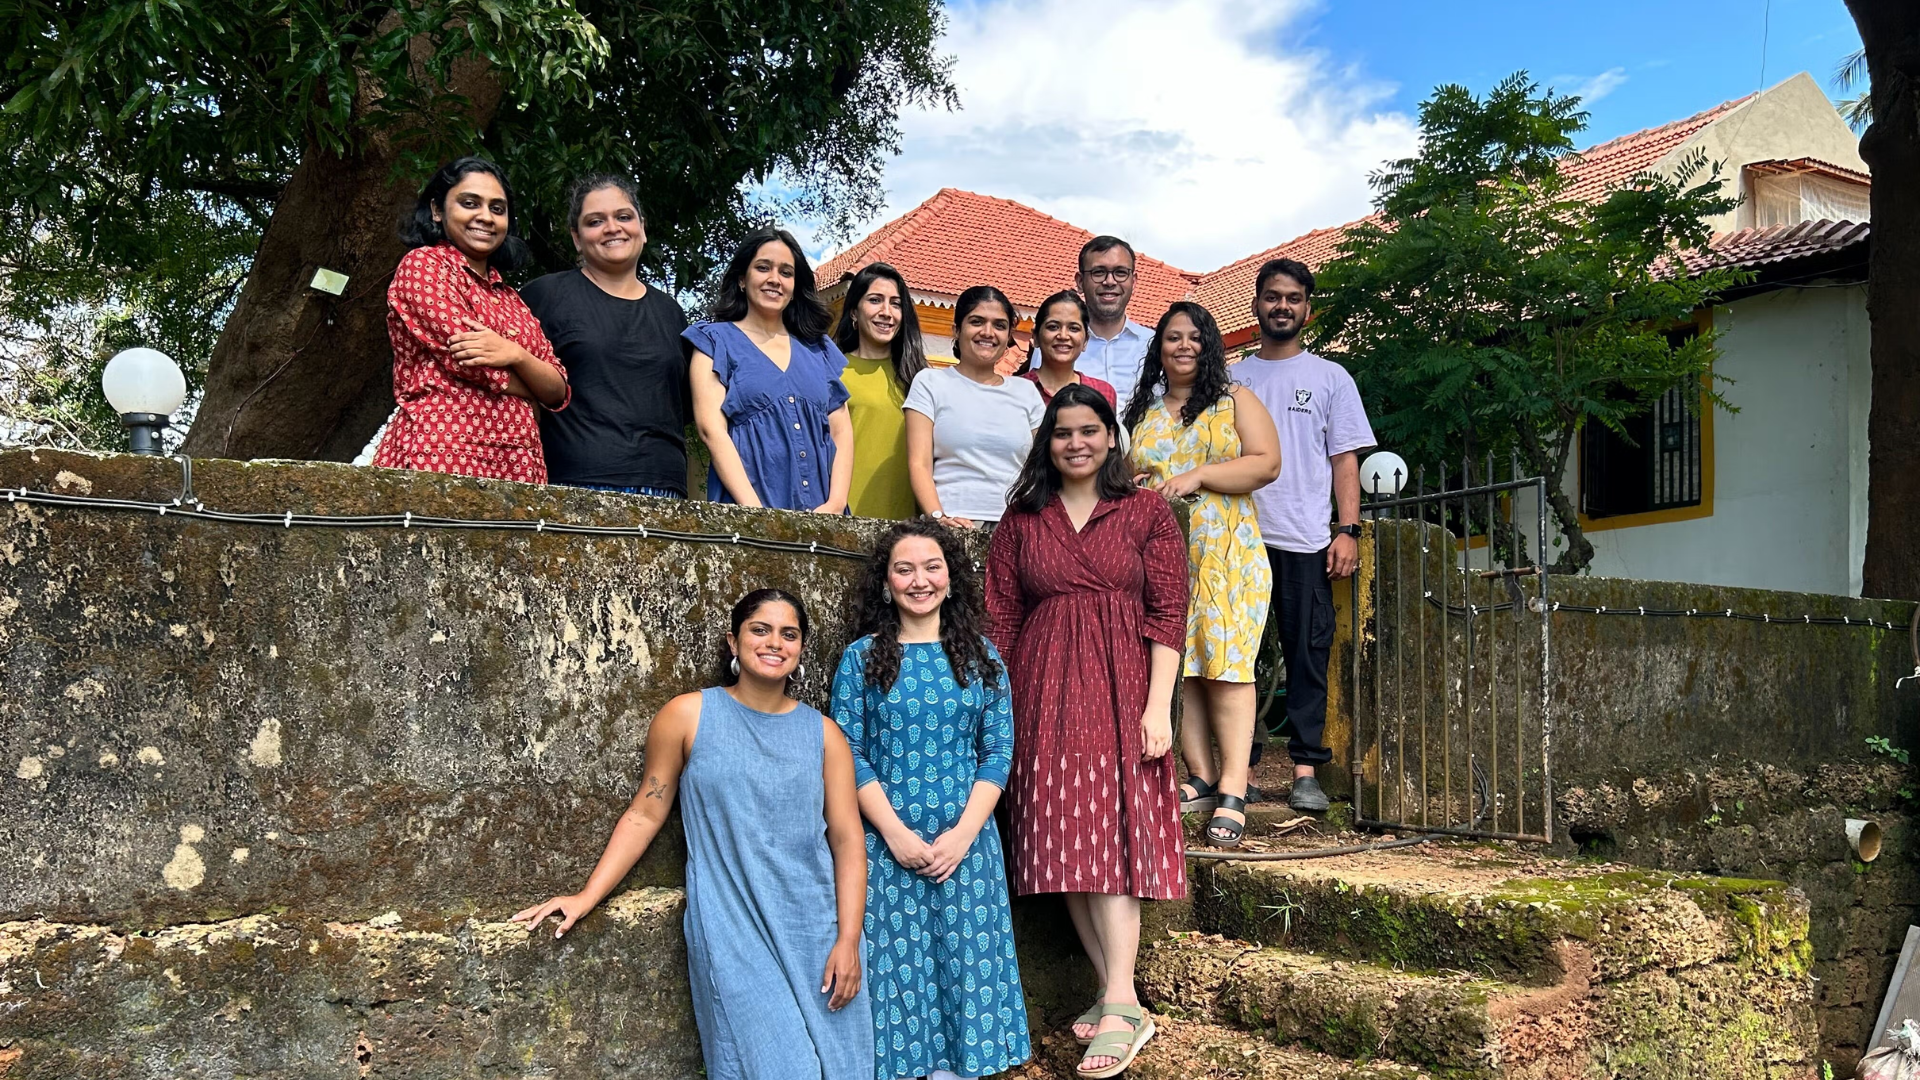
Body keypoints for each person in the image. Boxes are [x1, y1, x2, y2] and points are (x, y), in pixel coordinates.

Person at [512, 588, 872, 1080]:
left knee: (844, 1068)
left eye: (789, 634)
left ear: (801, 649)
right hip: (732, 927)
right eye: (760, 630)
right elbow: (645, 813)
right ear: (733, 641)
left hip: (817, 929)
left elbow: (848, 841)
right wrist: (586, 896)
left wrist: (848, 939)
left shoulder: (825, 735)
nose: (775, 643)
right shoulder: (687, 716)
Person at [985, 383, 1188, 1079]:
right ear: (1048, 442)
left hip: (1120, 687)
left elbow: (1168, 615)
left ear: (1110, 437)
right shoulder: (1022, 519)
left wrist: (1158, 708)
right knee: (1060, 839)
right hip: (1041, 692)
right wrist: (999, 712)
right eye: (1063, 432)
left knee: (1107, 834)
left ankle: (1123, 1001)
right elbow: (1001, 622)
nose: (1076, 443)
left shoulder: (1146, 511)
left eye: (1089, 430)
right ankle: (1112, 992)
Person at [830, 521, 1032, 1080]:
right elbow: (846, 752)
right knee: (898, 968)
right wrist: (894, 832)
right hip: (884, 843)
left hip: (967, 843)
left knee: (967, 964)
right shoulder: (861, 658)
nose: (919, 580)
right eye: (904, 569)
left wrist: (964, 834)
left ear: (951, 577)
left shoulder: (983, 656)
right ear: (886, 582)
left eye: (931, 567)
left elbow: (998, 751)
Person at [1123, 302, 1281, 847]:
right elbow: (1124, 473)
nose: (1183, 345)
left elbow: (1267, 462)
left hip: (1227, 554)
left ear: (1209, 344)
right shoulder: (1143, 410)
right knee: (1179, 663)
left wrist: (1201, 475)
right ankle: (1201, 776)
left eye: (1194, 336)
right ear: (1159, 347)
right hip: (1160, 557)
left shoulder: (1234, 399)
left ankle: (1234, 786)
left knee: (1228, 664)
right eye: (1173, 337)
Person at [1228, 258, 1376, 813]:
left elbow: (1345, 461)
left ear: (1307, 309)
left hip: (1306, 537)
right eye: (1272, 296)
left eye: (1293, 298)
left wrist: (1347, 529)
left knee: (1307, 654)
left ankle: (1306, 770)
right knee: (1238, 657)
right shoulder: (1231, 378)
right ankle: (1239, 770)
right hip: (1237, 538)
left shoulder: (1331, 377)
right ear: (1256, 305)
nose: (1282, 306)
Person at [375, 156, 570, 483]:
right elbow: (469, 360)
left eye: (498, 208)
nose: (486, 217)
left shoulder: (511, 299)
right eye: (470, 203)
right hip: (442, 454)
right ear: (437, 210)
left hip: (520, 464)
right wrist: (533, 387)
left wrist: (515, 354)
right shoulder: (424, 266)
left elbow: (558, 389)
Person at [521, 174, 690, 497]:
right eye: (595, 221)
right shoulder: (543, 297)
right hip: (572, 484)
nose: (612, 228)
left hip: (666, 486)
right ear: (576, 238)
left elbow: (683, 405)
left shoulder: (671, 313)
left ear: (642, 227)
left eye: (623, 217)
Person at [687, 227, 854, 512]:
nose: (775, 279)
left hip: (824, 516)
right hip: (748, 514)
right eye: (763, 268)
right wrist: (756, 513)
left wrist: (836, 504)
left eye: (786, 272)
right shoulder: (715, 341)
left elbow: (841, 431)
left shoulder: (818, 349)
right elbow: (711, 430)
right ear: (742, 279)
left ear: (795, 286)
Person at [903, 285, 1045, 529]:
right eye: (977, 322)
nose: (988, 332)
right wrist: (938, 518)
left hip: (1016, 527)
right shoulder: (931, 383)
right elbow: (919, 463)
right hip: (953, 523)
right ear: (956, 330)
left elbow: (1042, 466)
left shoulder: (1026, 392)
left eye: (999, 325)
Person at [830, 263, 929, 519]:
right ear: (854, 312)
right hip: (843, 516)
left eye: (896, 304)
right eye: (875, 300)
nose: (887, 312)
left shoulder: (920, 379)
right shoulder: (831, 371)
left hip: (907, 524)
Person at [1027, 236, 1152, 419]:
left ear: (1133, 281)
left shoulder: (1154, 345)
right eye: (1098, 272)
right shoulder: (1057, 345)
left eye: (1120, 272)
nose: (1110, 281)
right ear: (1079, 281)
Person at [1019, 290, 1117, 410]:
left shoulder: (1103, 393)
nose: (1063, 336)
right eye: (1053, 327)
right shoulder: (1014, 390)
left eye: (1073, 328)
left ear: (1085, 341)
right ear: (1035, 337)